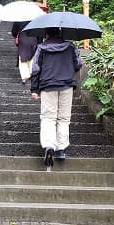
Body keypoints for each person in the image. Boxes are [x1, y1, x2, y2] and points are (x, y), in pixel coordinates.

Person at [30, 29, 83, 168]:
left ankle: (49, 145)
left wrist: (34, 89)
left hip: (48, 85)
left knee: (48, 117)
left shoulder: (41, 47)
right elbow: (78, 64)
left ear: (47, 35)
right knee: (64, 118)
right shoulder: (70, 46)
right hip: (66, 85)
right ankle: (61, 149)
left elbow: (35, 69)